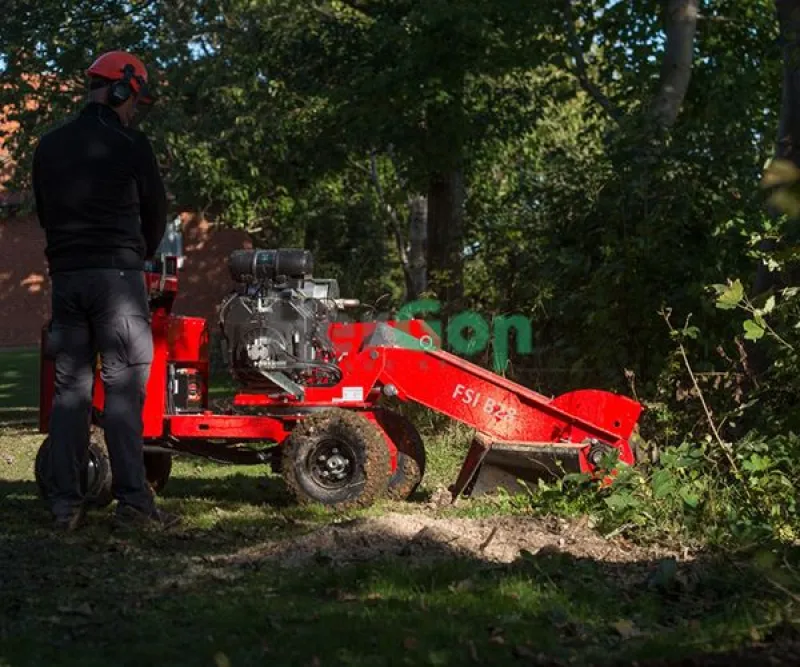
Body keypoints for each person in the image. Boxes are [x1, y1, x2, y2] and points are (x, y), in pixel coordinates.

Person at [32, 50, 179, 531]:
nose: (134, 109)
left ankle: (64, 505)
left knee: (69, 393)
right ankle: (134, 504)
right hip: (117, 279)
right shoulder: (132, 144)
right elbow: (155, 213)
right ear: (121, 89)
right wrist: (138, 254)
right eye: (134, 98)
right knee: (122, 392)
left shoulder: (48, 147)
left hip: (67, 281)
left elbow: (44, 213)